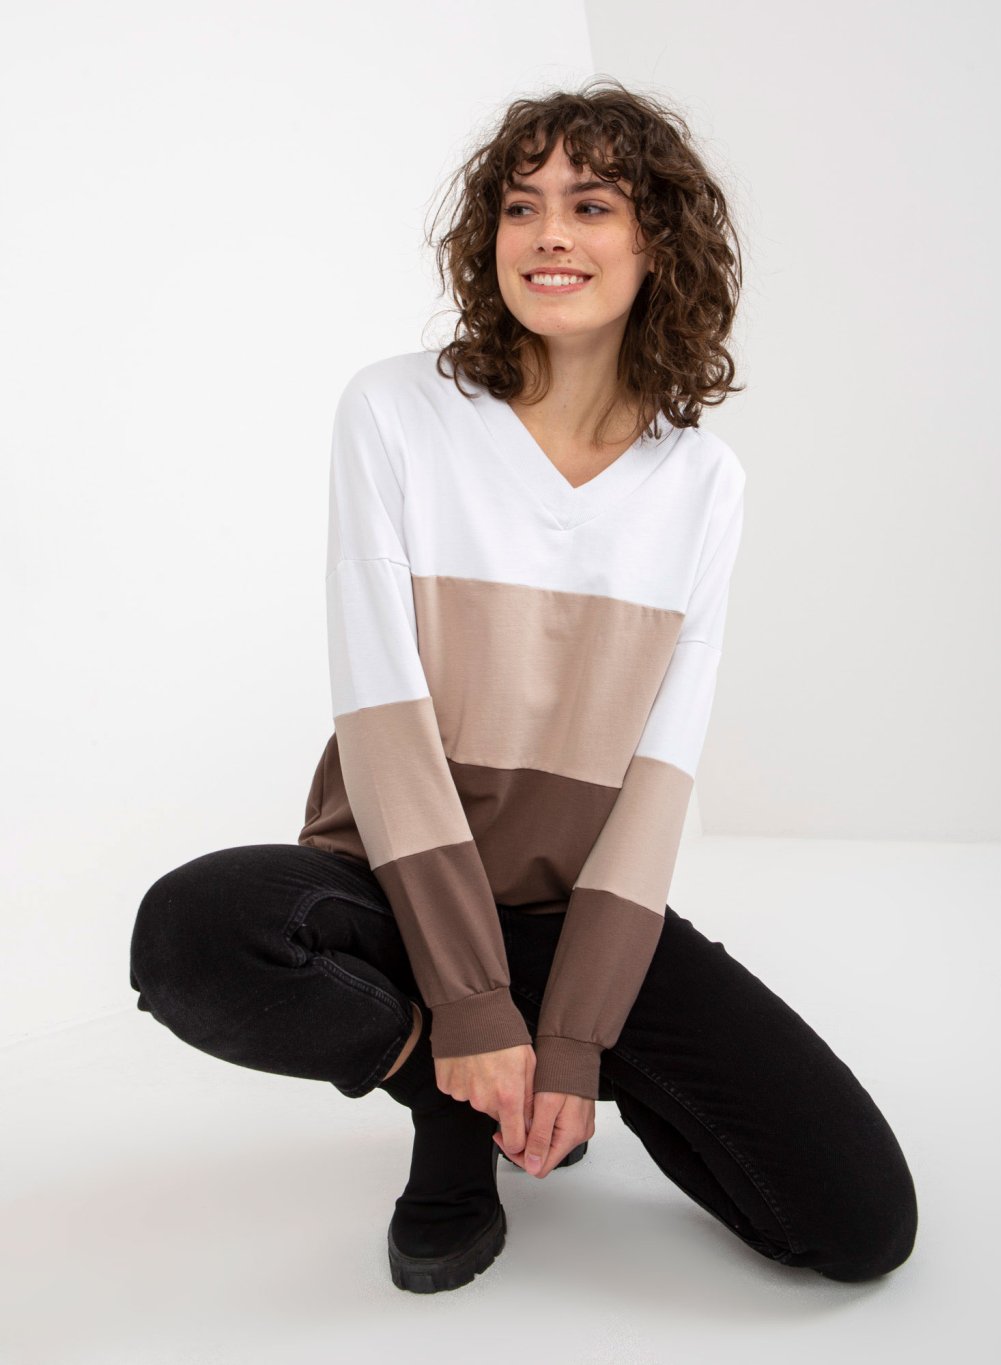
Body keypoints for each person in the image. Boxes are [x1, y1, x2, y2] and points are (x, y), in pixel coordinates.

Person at [128, 78, 918, 1295]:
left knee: (858, 1226)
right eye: (520, 205)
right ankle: (449, 1101)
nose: (549, 233)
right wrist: (469, 1007)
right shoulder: (396, 411)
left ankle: (532, 1070)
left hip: (571, 915)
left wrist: (576, 1033)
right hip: (392, 885)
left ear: (656, 244)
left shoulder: (700, 482)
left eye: (590, 205)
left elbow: (659, 777)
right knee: (196, 932)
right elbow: (385, 725)